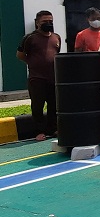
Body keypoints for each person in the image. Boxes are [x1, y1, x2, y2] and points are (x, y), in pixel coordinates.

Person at [17, 10, 62, 141]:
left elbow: (56, 53)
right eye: (44, 21)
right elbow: (20, 55)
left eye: (50, 21)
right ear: (37, 23)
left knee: (54, 105)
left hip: (53, 78)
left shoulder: (56, 37)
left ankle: (53, 129)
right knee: (37, 106)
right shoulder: (30, 38)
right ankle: (39, 131)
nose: (48, 23)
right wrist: (33, 63)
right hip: (37, 78)